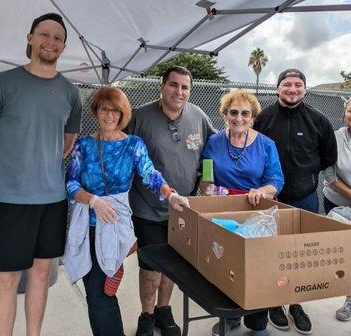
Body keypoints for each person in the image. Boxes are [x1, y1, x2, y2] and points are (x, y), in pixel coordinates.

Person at [0, 13, 82, 336]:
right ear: (30, 39)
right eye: (44, 35)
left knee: (42, 272)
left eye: (58, 38)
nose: (51, 42)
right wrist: (8, 173)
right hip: (9, 201)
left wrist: (40, 168)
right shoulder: (2, 84)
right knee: (7, 278)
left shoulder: (70, 93)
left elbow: (67, 142)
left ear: (63, 47)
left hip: (52, 199)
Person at [63, 86, 190, 336]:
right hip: (87, 224)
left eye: (115, 111)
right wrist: (93, 201)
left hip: (114, 226)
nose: (109, 116)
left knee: (100, 293)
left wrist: (170, 194)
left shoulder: (133, 144)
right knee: (94, 291)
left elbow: (149, 174)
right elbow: (70, 183)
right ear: (96, 112)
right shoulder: (85, 144)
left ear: (123, 114)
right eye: (103, 110)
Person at [126, 66, 215, 336]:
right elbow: (123, 152)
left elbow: (210, 153)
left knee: (173, 265)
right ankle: (146, 313)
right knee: (151, 266)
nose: (179, 91)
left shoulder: (198, 116)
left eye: (185, 87)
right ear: (162, 86)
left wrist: (206, 180)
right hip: (148, 209)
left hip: (183, 209)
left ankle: (164, 311)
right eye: (174, 85)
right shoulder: (140, 117)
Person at [253, 68, 337, 335]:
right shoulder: (263, 118)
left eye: (298, 84)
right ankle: (274, 303)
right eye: (287, 84)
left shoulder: (319, 120)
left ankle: (296, 303)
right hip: (269, 201)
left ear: (304, 89)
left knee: (299, 256)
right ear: (278, 88)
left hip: (305, 199)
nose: (292, 89)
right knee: (269, 254)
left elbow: (327, 157)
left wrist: (306, 175)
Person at [201, 90, 284, 336]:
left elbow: (276, 179)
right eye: (233, 112)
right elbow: (206, 176)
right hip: (224, 211)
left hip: (257, 211)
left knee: (259, 269)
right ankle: (231, 317)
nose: (239, 118)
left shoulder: (267, 144)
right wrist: (209, 189)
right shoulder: (214, 141)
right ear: (225, 115)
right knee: (226, 264)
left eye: (244, 113)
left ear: (252, 117)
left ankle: (257, 324)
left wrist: (262, 191)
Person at [323, 97, 351, 321]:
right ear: (345, 113)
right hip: (338, 201)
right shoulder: (335, 137)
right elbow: (330, 175)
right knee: (346, 254)